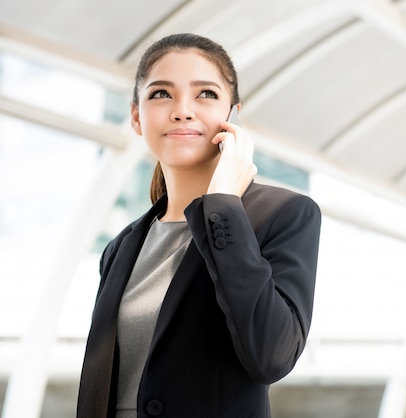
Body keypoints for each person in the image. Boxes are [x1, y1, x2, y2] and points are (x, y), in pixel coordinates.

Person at [77, 33, 321, 418]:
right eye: (161, 94)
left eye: (205, 94)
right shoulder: (121, 247)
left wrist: (223, 206)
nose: (182, 110)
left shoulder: (284, 215)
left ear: (233, 115)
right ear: (137, 117)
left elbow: (272, 356)